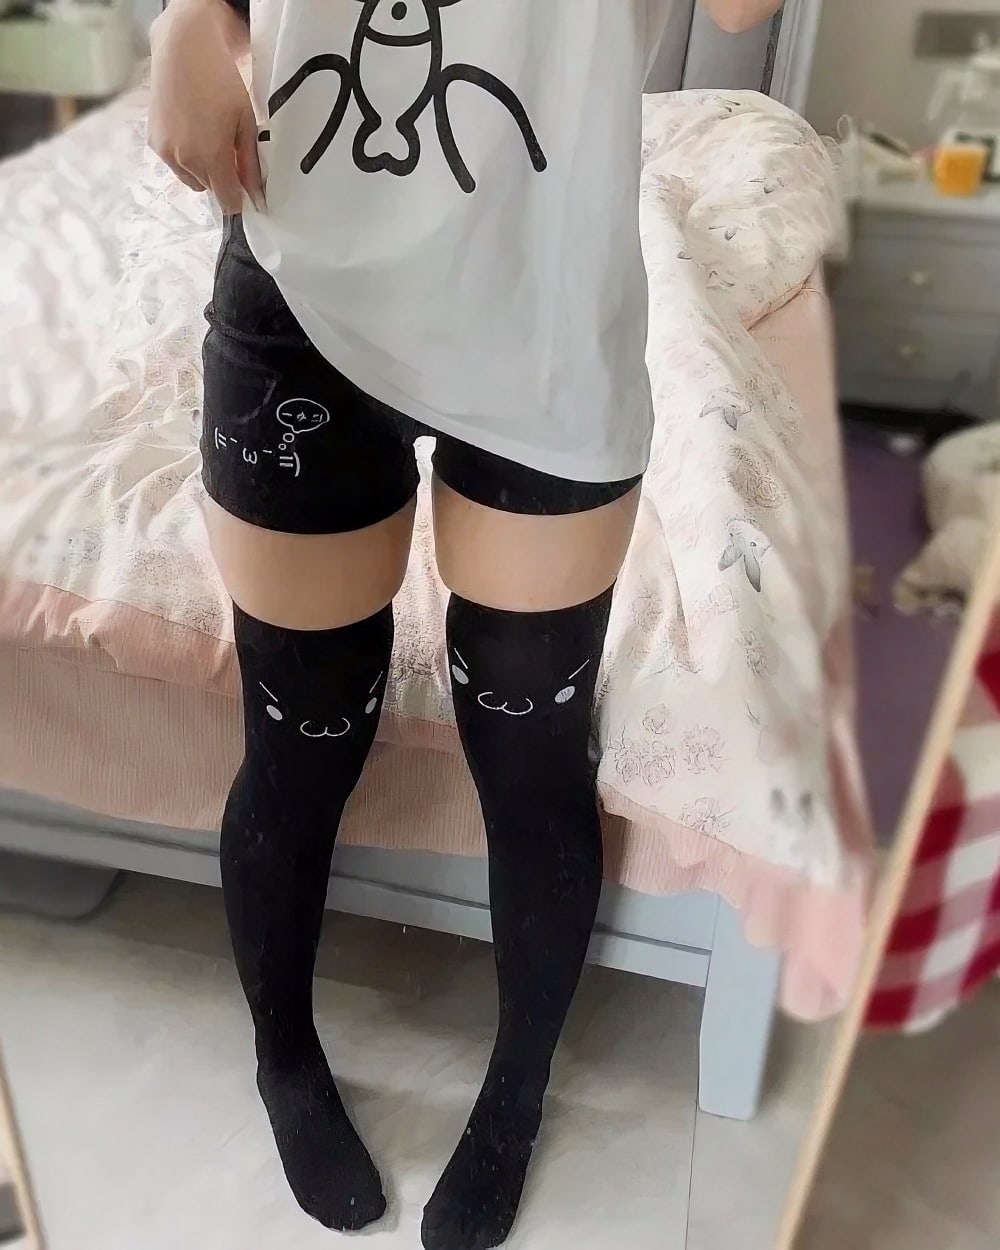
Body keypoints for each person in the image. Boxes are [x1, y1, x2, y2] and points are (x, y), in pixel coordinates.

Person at [148, 1, 783, 1245]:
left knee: (532, 754)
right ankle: (285, 1058)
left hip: (542, 291)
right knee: (301, 736)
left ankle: (513, 1097)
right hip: (301, 274)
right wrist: (179, 26)